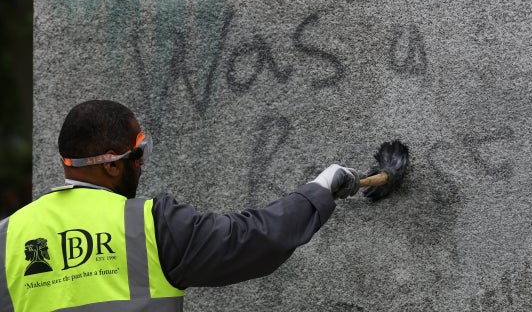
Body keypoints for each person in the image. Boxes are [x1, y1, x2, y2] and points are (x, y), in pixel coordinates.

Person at [0, 100, 361, 312]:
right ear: (112, 164)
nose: (142, 162)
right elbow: (251, 240)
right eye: (140, 152)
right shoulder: (149, 224)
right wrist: (321, 188)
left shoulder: (8, 236)